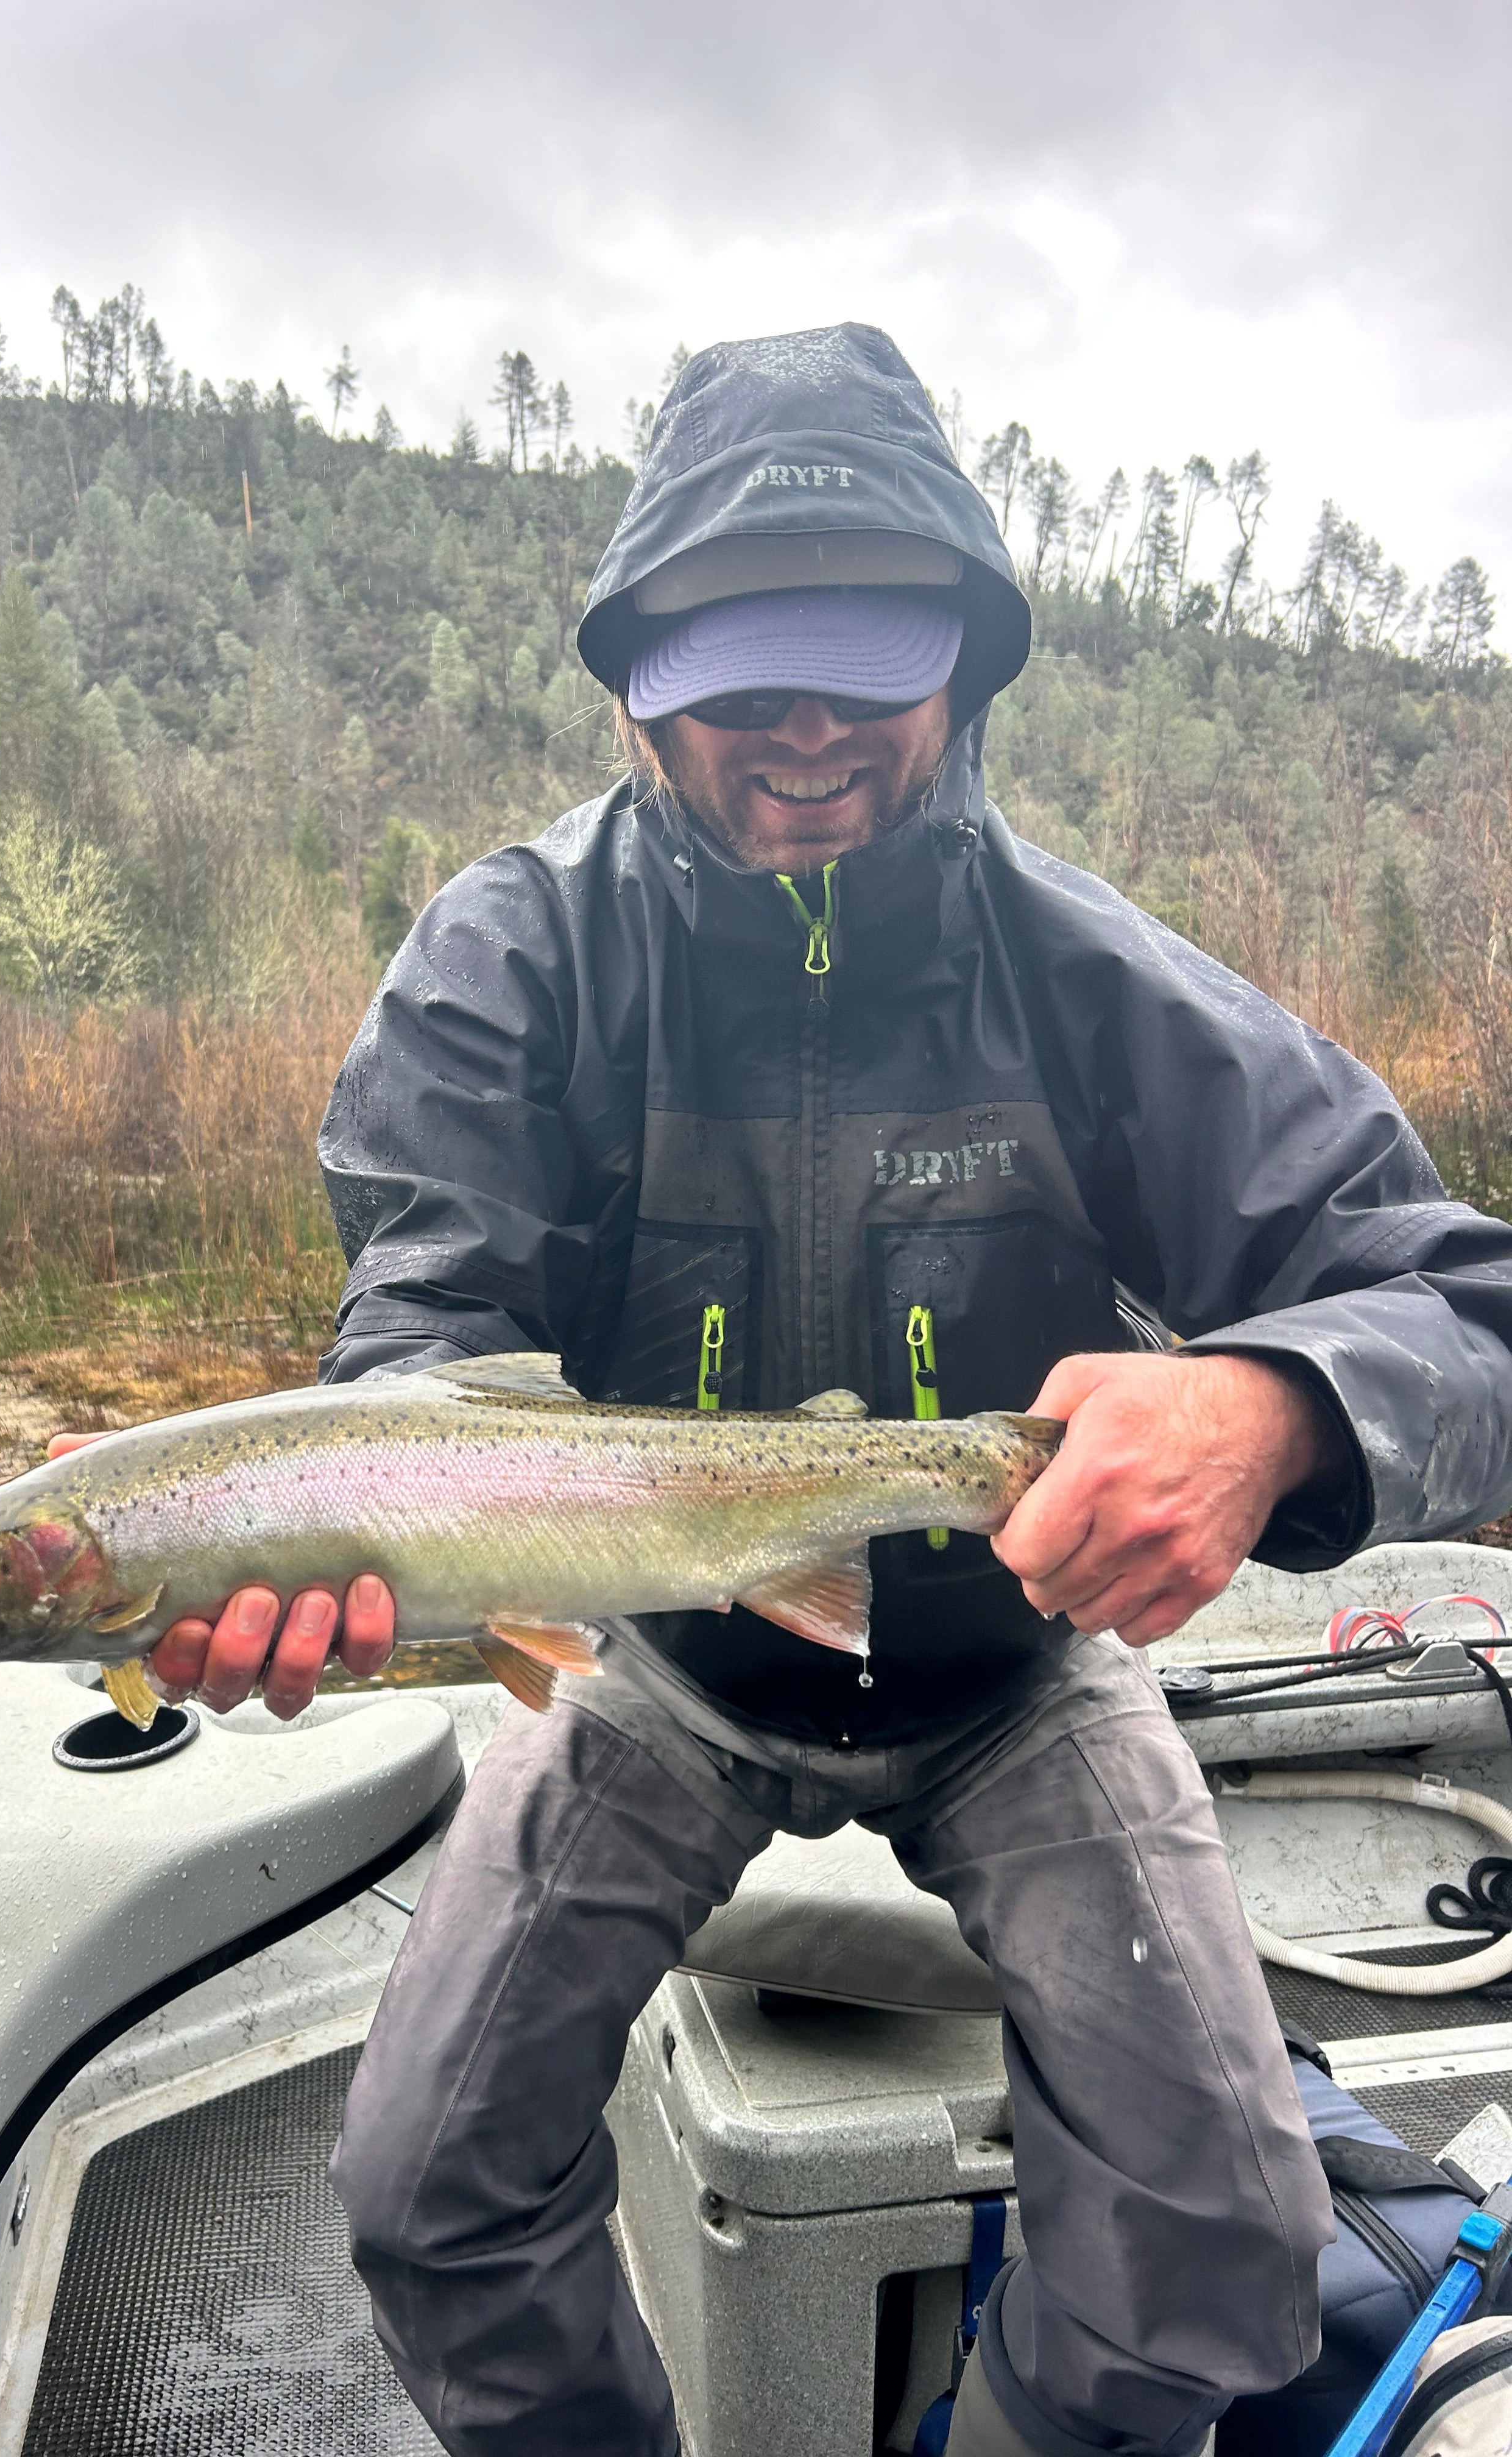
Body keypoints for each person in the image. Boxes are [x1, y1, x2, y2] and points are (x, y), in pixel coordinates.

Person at [116, 327, 1512, 2457]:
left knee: (1226, 2229)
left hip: (1020, 1670)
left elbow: (1459, 1298)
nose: (803, 733)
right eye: (738, 678)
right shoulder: (515, 960)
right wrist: (306, 1537)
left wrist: (1279, 1407)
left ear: (963, 664)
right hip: (657, 1663)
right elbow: (424, 1330)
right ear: (635, 686)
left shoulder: (1088, 978)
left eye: (862, 667)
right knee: (423, 2187)